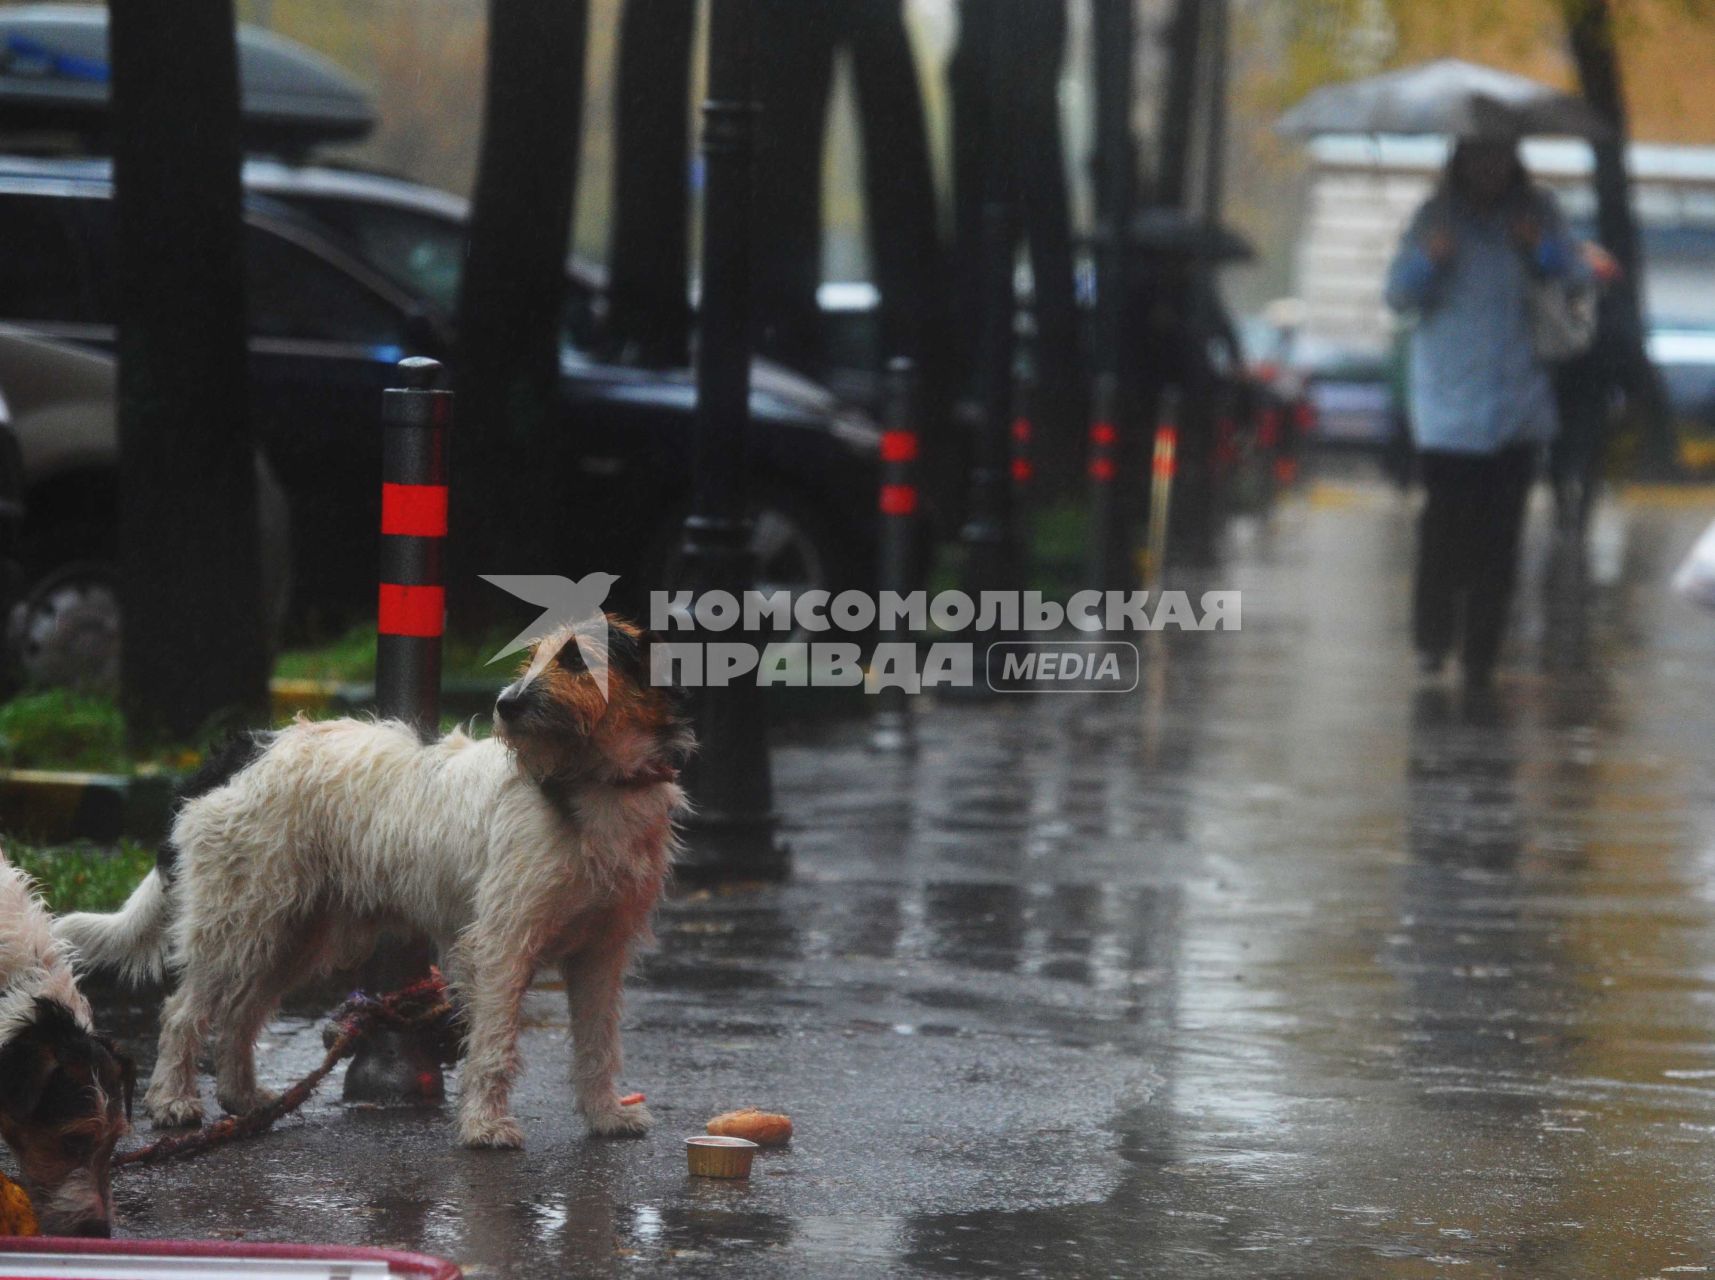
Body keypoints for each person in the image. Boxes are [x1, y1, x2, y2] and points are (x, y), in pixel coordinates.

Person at [1385, 133, 1590, 688]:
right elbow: (1398, 295)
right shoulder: (1435, 217)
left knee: (1500, 538)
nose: (1488, 167)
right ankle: (1432, 640)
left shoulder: (1539, 212)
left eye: (1498, 155)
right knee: (1443, 532)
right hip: (1448, 407)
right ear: (1461, 162)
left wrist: (1539, 249)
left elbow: (1578, 276)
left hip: (1517, 406)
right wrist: (1430, 261)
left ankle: (1481, 651)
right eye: (1478, 156)